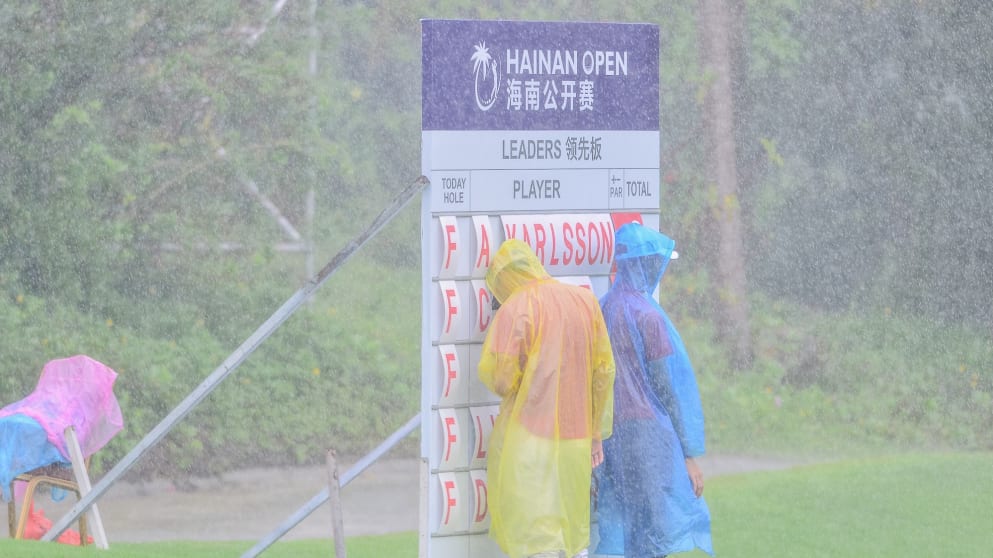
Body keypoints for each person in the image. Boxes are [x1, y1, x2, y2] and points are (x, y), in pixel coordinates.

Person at [478, 239, 616, 558]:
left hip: (530, 435)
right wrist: (595, 432)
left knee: (536, 530)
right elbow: (604, 370)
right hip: (576, 435)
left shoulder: (517, 306)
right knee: (571, 526)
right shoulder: (584, 301)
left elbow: (501, 379)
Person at [594, 222, 713, 557]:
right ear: (645, 263)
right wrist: (687, 454)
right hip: (647, 433)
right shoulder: (649, 316)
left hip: (610, 432)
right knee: (652, 527)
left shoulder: (602, 309)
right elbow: (665, 388)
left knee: (621, 519)